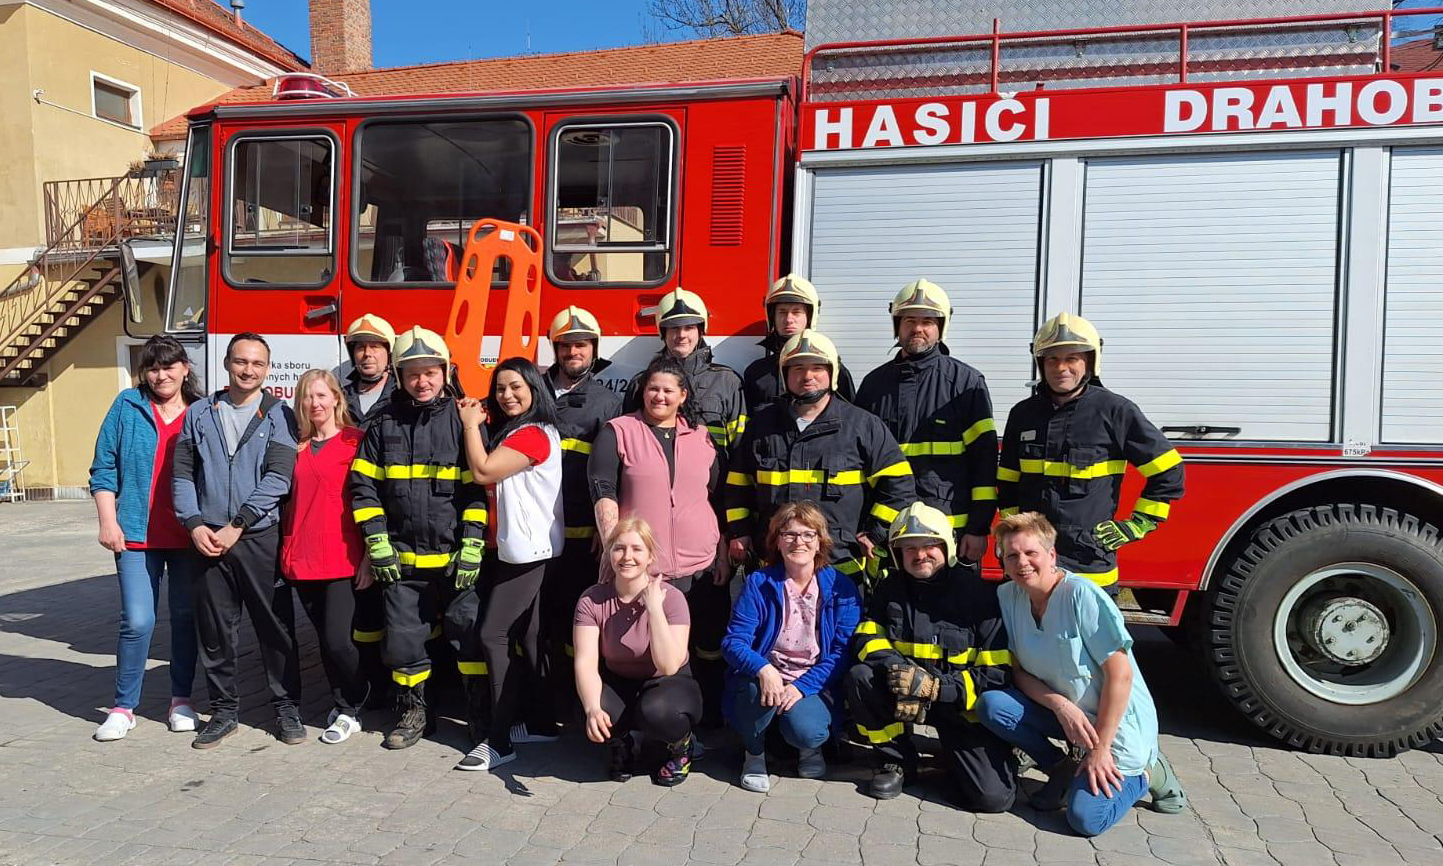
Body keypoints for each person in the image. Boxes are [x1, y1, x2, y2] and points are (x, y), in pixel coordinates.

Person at [977, 511, 1186, 836]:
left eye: (1031, 553)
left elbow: (1121, 675)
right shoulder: (1009, 596)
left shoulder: (1081, 595)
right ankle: (1062, 767)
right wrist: (1062, 706)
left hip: (1115, 723)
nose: (1022, 563)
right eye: (1012, 555)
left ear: (1051, 555)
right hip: (1067, 715)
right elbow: (1018, 673)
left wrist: (1101, 749)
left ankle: (1149, 771)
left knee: (1085, 819)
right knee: (993, 706)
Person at [350, 326, 488, 750]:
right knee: (403, 641)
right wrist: (376, 542)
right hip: (402, 559)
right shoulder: (383, 424)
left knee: (469, 633)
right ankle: (414, 712)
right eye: (412, 374)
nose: (422, 381)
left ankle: (478, 712)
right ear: (399, 376)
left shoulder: (464, 422)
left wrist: (472, 544)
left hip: (454, 558)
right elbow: (364, 487)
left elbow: (477, 491)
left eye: (430, 372)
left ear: (445, 372)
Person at [172, 332, 301, 749]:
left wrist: (239, 524)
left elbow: (279, 478)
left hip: (257, 537)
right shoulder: (199, 413)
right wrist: (194, 524)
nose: (248, 370)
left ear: (267, 369)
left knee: (274, 627)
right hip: (207, 538)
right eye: (241, 361)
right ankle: (224, 712)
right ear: (227, 364)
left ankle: (287, 708)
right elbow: (182, 475)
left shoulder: (278, 414)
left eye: (257, 363)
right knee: (215, 631)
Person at [996, 313, 1184, 590]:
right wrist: (1012, 534)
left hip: (1089, 562)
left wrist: (1138, 524)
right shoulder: (1023, 414)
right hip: (1031, 562)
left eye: (1071, 358)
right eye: (1052, 359)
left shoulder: (1115, 411)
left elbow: (1169, 471)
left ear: (1090, 361)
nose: (1061, 368)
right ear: (1041, 363)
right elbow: (1008, 483)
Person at [846, 503, 1014, 809]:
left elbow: (997, 672)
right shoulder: (890, 588)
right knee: (861, 677)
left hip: (959, 707)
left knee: (992, 798)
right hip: (904, 695)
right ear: (897, 553)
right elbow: (867, 637)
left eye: (928, 546)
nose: (919, 554)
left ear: (947, 546)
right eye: (909, 548)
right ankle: (896, 762)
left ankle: (965, 758)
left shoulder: (980, 596)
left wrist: (936, 689)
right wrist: (901, 673)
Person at [590, 355, 727, 720]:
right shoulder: (619, 431)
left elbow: (717, 496)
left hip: (701, 565)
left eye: (668, 390)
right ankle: (650, 722)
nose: (659, 396)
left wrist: (723, 550)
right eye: (653, 389)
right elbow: (603, 489)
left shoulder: (701, 437)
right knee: (648, 649)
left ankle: (706, 718)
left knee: (706, 645)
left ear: (683, 395)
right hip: (644, 570)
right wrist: (614, 550)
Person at [726, 329, 915, 583]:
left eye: (817, 368)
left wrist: (876, 532)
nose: (807, 376)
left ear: (832, 373)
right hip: (774, 568)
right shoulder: (761, 426)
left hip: (840, 572)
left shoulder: (863, 426)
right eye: (798, 368)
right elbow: (737, 486)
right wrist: (740, 531)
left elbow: (900, 485)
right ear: (784, 374)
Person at [88, 335, 202, 742]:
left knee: (186, 618)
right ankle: (123, 708)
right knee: (138, 620)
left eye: (168, 366)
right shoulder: (127, 405)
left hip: (188, 535)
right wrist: (108, 521)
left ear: (185, 368)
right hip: (135, 533)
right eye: (152, 368)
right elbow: (103, 467)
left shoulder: (201, 411)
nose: (160, 375)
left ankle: (181, 700)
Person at [455, 358, 565, 771]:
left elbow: (483, 471)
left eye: (516, 386)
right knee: (532, 637)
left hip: (526, 553)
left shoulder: (533, 433)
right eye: (500, 388)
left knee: (493, 634)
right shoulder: (526, 431)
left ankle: (498, 741)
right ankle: (541, 723)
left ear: (535, 388)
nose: (507, 395)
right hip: (530, 550)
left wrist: (470, 424)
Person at [721, 502, 861, 793]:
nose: (799, 542)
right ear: (777, 541)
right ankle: (754, 754)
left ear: (820, 542)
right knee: (752, 692)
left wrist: (802, 686)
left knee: (807, 731)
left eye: (809, 535)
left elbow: (841, 653)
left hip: (813, 679)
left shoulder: (842, 587)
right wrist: (763, 668)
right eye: (789, 534)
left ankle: (809, 749)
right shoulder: (759, 582)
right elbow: (734, 642)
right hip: (766, 676)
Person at [855, 280, 997, 564]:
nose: (918, 328)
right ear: (897, 325)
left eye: (927, 321)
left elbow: (984, 463)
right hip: (889, 530)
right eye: (910, 320)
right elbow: (858, 463)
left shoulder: (966, 383)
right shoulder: (873, 385)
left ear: (941, 327)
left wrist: (978, 528)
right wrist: (866, 528)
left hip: (951, 531)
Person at [573, 517, 701, 786]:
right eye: (619, 548)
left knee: (656, 712)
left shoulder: (672, 598)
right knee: (591, 704)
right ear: (609, 553)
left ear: (650, 556)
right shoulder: (591, 600)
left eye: (636, 549)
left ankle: (681, 746)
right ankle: (624, 745)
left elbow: (668, 665)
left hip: (668, 682)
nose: (627, 557)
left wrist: (654, 609)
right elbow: (585, 662)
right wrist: (592, 708)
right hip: (619, 679)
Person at [278, 369, 369, 744]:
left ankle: (355, 701)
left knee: (338, 640)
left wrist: (369, 556)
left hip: (343, 555)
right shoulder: (292, 447)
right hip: (302, 556)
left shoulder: (355, 441)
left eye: (321, 395)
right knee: (323, 640)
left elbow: (372, 501)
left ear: (336, 398)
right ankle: (342, 700)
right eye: (307, 396)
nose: (314, 403)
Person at [541, 306, 622, 715]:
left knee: (579, 619)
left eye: (582, 345)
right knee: (539, 619)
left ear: (594, 349)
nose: (574, 352)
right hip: (534, 532)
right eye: (566, 345)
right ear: (555, 349)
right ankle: (542, 699)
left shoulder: (608, 402)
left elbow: (616, 472)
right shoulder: (532, 392)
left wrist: (604, 527)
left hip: (580, 534)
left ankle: (577, 702)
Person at [624, 288, 744, 451]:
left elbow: (740, 445)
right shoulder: (641, 383)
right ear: (663, 333)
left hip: (712, 468)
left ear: (700, 331)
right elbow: (628, 440)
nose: (681, 334)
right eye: (674, 328)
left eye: (689, 327)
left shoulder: (727, 382)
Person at [741, 274, 855, 418]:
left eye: (796, 312)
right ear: (772, 317)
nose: (789, 319)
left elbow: (850, 417)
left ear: (809, 317)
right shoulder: (756, 372)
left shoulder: (832, 370)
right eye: (782, 312)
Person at [342, 314, 398, 425]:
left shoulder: (401, 397)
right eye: (360, 347)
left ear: (389, 354)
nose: (367, 353)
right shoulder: (340, 399)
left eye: (374, 346)